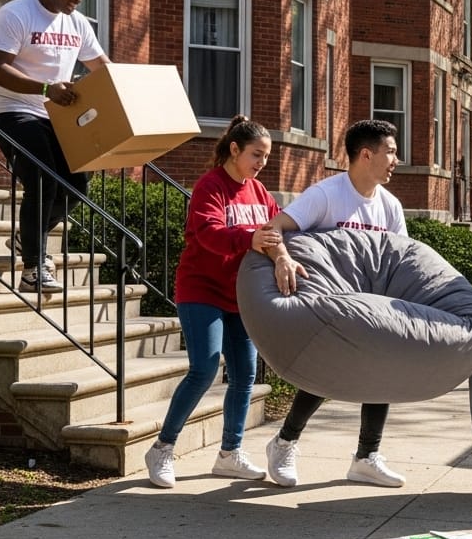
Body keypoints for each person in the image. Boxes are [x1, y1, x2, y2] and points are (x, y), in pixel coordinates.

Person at [260, 119, 410, 489]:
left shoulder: (390, 206)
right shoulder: (326, 195)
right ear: (365, 154)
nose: (396, 159)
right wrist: (281, 258)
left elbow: (403, 258)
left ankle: (366, 457)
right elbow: (273, 228)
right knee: (324, 373)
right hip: (331, 306)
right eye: (390, 151)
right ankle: (284, 443)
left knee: (383, 373)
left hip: (373, 308)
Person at [143, 117, 282, 488]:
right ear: (234, 149)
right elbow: (207, 234)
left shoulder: (258, 191)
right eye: (256, 154)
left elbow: (274, 230)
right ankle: (162, 449)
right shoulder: (211, 186)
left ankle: (229, 454)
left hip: (240, 294)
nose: (261, 163)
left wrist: (282, 254)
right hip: (201, 289)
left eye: (266, 156)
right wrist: (249, 239)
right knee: (204, 368)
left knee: (245, 376)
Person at [0, 0, 108, 293]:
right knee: (42, 179)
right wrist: (48, 88)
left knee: (77, 185)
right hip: (9, 107)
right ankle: (34, 268)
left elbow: (101, 66)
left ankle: (27, 237)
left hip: (54, 111)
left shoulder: (78, 23)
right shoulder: (14, 15)